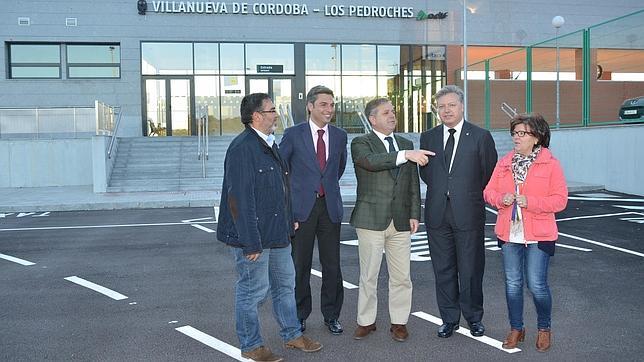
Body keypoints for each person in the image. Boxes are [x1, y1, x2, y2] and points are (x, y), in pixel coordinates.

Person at [217, 93, 322, 362]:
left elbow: (279, 189)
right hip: (254, 239)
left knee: (285, 286)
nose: (276, 114)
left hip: (277, 234)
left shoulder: (268, 143)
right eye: (272, 110)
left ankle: (292, 334)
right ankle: (252, 344)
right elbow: (239, 199)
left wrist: (289, 220)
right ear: (256, 116)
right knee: (252, 291)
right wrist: (250, 243)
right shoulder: (243, 148)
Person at [350, 97, 434, 342]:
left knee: (401, 277)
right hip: (370, 220)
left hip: (400, 221)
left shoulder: (406, 142)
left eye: (393, 111)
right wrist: (406, 154)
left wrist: (414, 213)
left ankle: (399, 323)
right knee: (369, 275)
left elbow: (412, 184)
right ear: (372, 119)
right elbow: (371, 163)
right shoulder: (361, 143)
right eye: (386, 112)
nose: (392, 115)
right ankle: (366, 322)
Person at [484, 113, 567, 352]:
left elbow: (560, 200)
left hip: (539, 233)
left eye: (522, 133)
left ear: (537, 137)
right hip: (509, 233)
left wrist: (530, 201)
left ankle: (544, 328)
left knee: (537, 285)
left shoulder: (551, 164)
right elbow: (488, 192)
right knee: (512, 284)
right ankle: (516, 328)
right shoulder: (505, 162)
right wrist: (502, 198)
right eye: (514, 133)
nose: (516, 137)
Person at [419, 85, 497, 338]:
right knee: (443, 270)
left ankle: (474, 318)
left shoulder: (480, 136)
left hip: (469, 214)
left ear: (462, 106)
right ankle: (449, 319)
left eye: (451, 105)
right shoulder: (428, 137)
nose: (446, 110)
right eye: (441, 106)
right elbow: (427, 173)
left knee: (471, 269)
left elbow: (488, 173)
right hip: (437, 214)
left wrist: (464, 193)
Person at [279, 85, 347, 335]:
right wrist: (290, 210)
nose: (329, 109)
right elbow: (282, 169)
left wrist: (324, 187)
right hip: (301, 211)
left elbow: (337, 169)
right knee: (300, 266)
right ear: (310, 106)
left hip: (329, 208)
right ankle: (299, 315)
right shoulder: (293, 134)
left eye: (331, 104)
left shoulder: (339, 136)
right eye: (323, 104)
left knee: (332, 266)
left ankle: (332, 315)